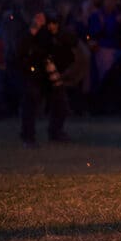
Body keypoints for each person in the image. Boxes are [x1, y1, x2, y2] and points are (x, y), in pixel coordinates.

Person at [17, 12, 73, 146]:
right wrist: (34, 29)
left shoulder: (53, 30)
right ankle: (28, 136)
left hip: (49, 70)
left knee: (61, 102)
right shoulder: (26, 31)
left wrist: (56, 32)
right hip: (34, 72)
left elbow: (67, 42)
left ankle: (55, 131)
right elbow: (21, 48)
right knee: (31, 102)